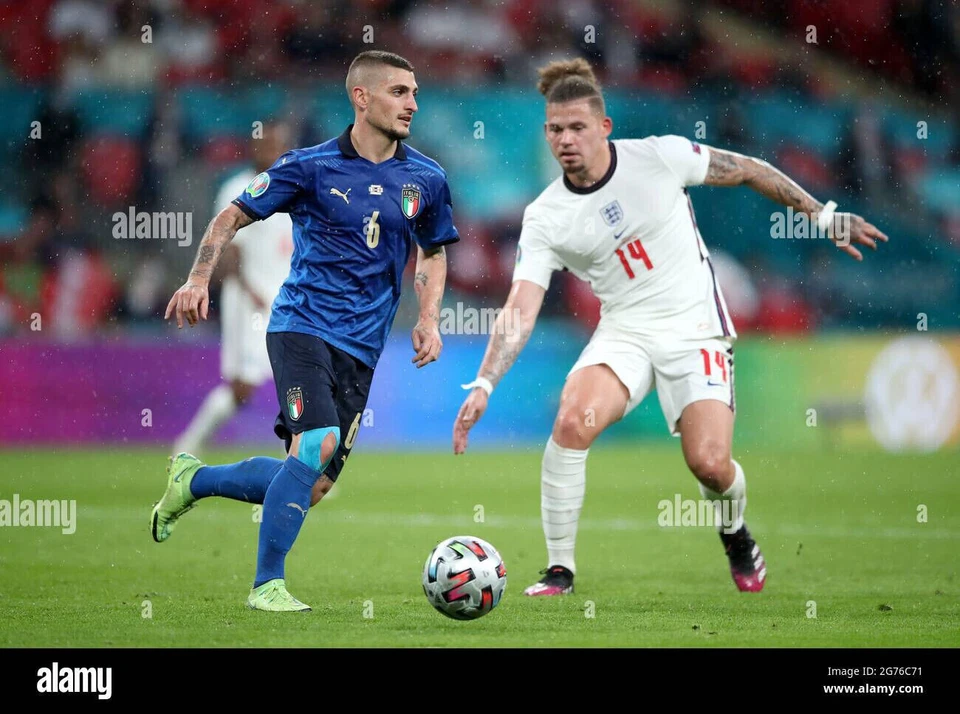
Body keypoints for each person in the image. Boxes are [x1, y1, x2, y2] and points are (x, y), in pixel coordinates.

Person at [452, 58, 887, 597]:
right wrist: (486, 382)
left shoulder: (659, 156)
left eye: (578, 127)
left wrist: (823, 216)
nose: (566, 140)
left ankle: (735, 533)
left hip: (694, 325)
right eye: (556, 129)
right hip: (624, 332)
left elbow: (748, 168)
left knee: (709, 464)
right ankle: (559, 571)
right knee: (571, 421)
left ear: (604, 127)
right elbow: (520, 307)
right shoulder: (546, 216)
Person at [152, 50, 459, 612]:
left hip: (362, 346)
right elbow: (230, 216)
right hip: (302, 325)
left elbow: (433, 252)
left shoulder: (426, 178)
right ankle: (266, 586)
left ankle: (192, 481)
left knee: (314, 483)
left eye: (414, 92)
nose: (412, 104)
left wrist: (430, 319)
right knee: (316, 442)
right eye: (399, 92)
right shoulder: (310, 167)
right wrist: (197, 279)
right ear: (361, 97)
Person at [171, 123, 294, 457]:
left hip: (284, 302)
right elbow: (227, 247)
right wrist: (249, 289)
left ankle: (298, 463)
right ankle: (187, 446)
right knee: (243, 388)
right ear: (253, 147)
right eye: (265, 144)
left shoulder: (293, 189)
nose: (271, 151)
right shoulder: (237, 189)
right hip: (248, 303)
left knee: (296, 380)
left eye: (277, 145)